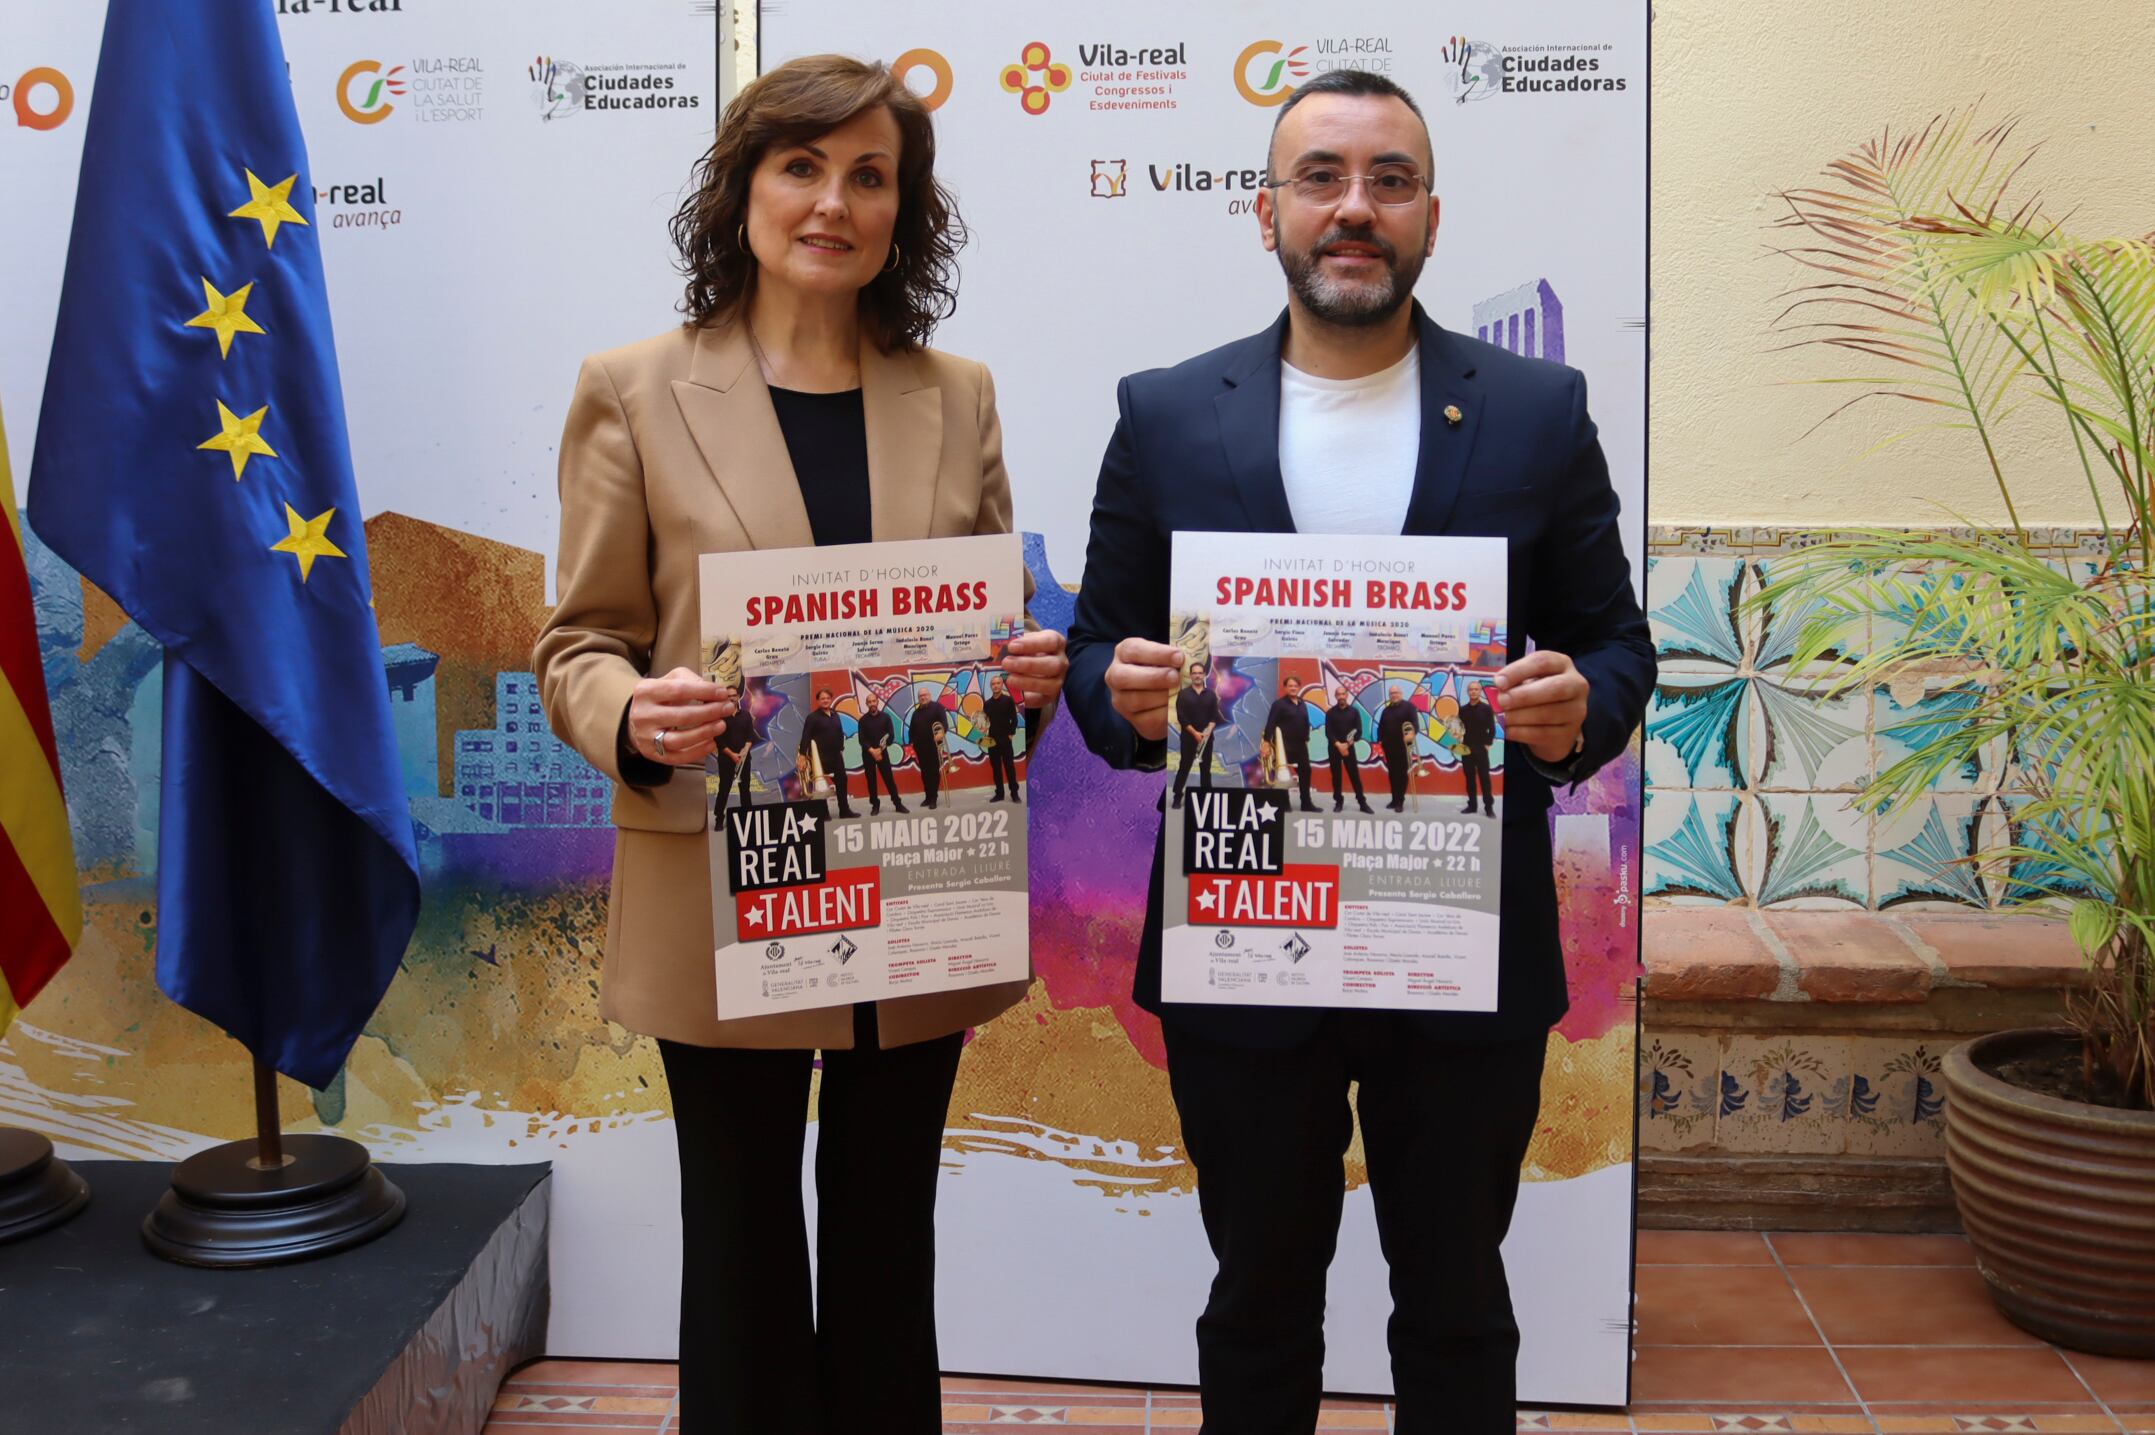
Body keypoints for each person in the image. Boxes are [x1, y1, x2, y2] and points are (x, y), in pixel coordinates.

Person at [1062, 68, 1653, 1435]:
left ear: (1428, 218)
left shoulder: (1534, 409)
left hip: (1458, 942)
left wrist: (1582, 707)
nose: (1352, 207)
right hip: (1244, 934)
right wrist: (1126, 689)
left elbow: (1617, 647)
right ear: (1264, 210)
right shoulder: (1161, 413)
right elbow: (1095, 664)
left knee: (1452, 1303)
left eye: (1386, 180)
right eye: (1320, 176)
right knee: (1257, 1296)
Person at [532, 55, 1067, 1435]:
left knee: (890, 1247)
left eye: (868, 175)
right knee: (744, 1249)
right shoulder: (631, 387)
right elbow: (577, 642)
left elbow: (985, 655)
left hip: (915, 881)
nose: (832, 201)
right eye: (800, 167)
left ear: (905, 209)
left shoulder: (957, 390)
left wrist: (1023, 678)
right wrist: (629, 715)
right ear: (743, 188)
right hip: (724, 877)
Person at [796, 686, 855, 818]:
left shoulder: (835, 714)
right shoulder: (812, 717)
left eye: (828, 698)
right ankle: (823, 813)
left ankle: (844, 811)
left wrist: (841, 749)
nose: (825, 700)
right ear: (818, 701)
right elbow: (806, 736)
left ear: (831, 699)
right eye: (822, 698)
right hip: (820, 758)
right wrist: (802, 756)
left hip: (836, 756)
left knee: (842, 781)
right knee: (821, 785)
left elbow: (839, 733)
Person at [1171, 666, 1222, 808]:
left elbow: (1215, 715)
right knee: (1184, 767)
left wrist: (1209, 730)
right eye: (1194, 673)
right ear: (1191, 675)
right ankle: (1177, 796)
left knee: (1205, 769)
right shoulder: (1183, 694)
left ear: (1204, 675)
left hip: (1206, 739)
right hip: (1188, 738)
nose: (1197, 675)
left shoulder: (1211, 695)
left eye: (1200, 673)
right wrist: (1194, 733)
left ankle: (1206, 798)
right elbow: (1181, 717)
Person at [1264, 675, 1317, 811]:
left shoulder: (1302, 703)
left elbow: (1305, 722)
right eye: (1290, 686)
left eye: (1295, 686)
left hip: (1300, 745)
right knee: (1283, 775)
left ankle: (1306, 803)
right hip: (1283, 746)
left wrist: (1306, 739)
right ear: (1285, 688)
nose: (1293, 688)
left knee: (1305, 772)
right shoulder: (1279, 704)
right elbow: (1270, 723)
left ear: (1299, 687)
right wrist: (1266, 743)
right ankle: (1284, 804)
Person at [856, 691, 907, 815]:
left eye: (874, 701)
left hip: (883, 753)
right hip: (868, 755)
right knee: (871, 781)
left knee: (889, 779)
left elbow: (890, 736)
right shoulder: (862, 720)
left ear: (877, 702)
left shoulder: (886, 717)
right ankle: (875, 805)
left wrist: (880, 749)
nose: (872, 703)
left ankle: (898, 804)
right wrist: (872, 751)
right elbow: (862, 740)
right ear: (867, 704)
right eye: (869, 702)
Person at [1325, 688, 1374, 814]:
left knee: (1355, 776)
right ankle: (1338, 802)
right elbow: (1328, 732)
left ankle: (1362, 803)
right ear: (1335, 696)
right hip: (1334, 748)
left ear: (1346, 695)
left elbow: (1358, 730)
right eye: (1338, 694)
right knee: (1336, 777)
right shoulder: (1330, 713)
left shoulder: (1354, 712)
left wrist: (1348, 744)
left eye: (1343, 694)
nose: (1341, 696)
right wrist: (1339, 745)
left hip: (1349, 748)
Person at [712, 699, 755, 822]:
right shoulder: (720, 717)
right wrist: (732, 755)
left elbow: (750, 735)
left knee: (745, 790)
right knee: (724, 789)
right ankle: (719, 818)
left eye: (734, 695)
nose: (732, 698)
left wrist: (745, 750)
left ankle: (748, 818)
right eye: (729, 696)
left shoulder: (746, 715)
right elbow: (718, 740)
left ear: (738, 697)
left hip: (744, 760)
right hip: (726, 760)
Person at [1378, 682, 1419, 812]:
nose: (1394, 695)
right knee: (1392, 774)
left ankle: (1400, 801)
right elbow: (1381, 727)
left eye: (1396, 693)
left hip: (1403, 747)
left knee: (1401, 775)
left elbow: (1415, 724)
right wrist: (1380, 741)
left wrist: (1411, 734)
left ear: (1401, 694)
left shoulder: (1409, 707)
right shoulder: (1386, 710)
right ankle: (1394, 799)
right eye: (1391, 693)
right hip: (1389, 747)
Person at [908, 684, 949, 809]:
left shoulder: (938, 708)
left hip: (934, 746)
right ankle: (927, 796)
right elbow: (912, 729)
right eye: (920, 696)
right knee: (925, 773)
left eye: (925, 695)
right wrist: (912, 743)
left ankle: (933, 798)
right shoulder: (916, 713)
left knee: (933, 772)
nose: (923, 697)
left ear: (929, 696)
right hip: (921, 747)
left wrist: (941, 733)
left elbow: (944, 723)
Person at [1459, 680, 1496, 817]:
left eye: (1476, 689)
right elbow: (1459, 729)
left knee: (1485, 779)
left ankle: (1488, 808)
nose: (1473, 691)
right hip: (1466, 749)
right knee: (1469, 779)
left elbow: (1492, 729)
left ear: (1479, 691)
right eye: (1471, 689)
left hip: (1481, 749)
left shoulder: (1486, 709)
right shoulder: (1462, 710)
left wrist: (1487, 744)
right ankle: (1472, 805)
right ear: (1468, 692)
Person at [984, 674, 1022, 802]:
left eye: (997, 683)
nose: (995, 686)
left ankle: (1014, 794)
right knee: (996, 769)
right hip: (992, 740)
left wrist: (1010, 735)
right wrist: (984, 730)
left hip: (1005, 740)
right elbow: (985, 722)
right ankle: (999, 794)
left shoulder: (1008, 701)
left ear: (1001, 685)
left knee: (1009, 767)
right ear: (991, 686)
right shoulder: (987, 704)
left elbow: (1015, 719)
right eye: (993, 684)